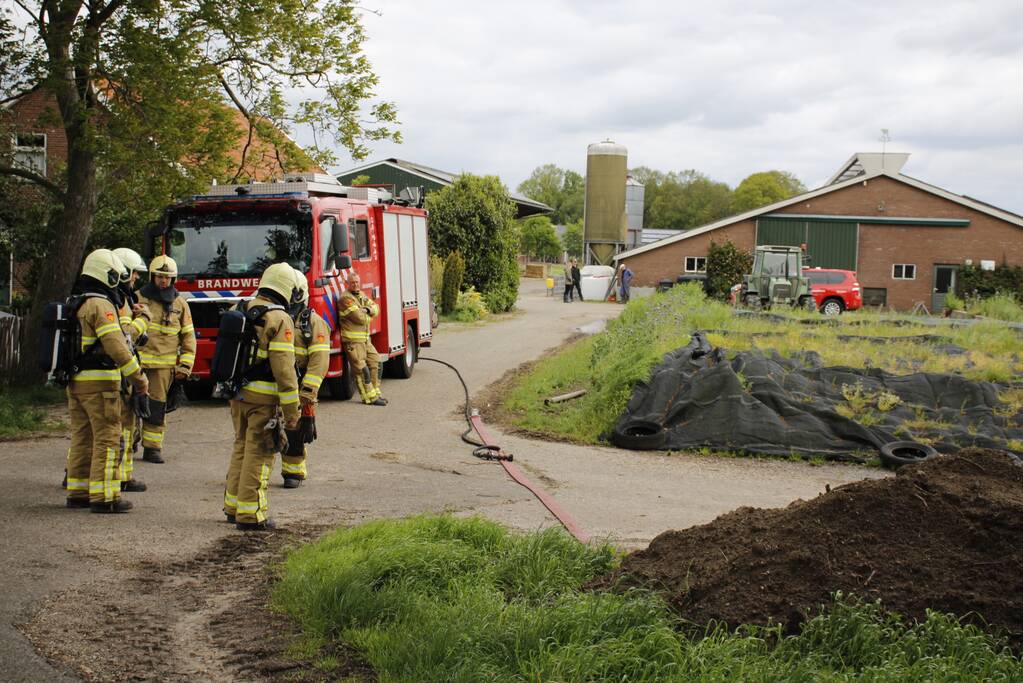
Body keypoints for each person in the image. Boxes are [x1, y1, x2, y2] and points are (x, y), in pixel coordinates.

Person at [65, 249, 149, 513]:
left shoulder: (77, 301)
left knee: (82, 436)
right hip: (101, 384)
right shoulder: (102, 305)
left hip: (76, 381)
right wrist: (139, 377)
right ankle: (105, 497)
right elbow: (116, 346)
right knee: (108, 438)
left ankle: (78, 491)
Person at [223, 262, 301, 530]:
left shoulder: (241, 307)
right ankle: (250, 514)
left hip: (237, 395)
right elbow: (284, 369)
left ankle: (233, 507)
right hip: (263, 400)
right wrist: (292, 412)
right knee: (259, 453)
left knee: (240, 447)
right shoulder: (280, 319)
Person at [135, 255, 196, 464]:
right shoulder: (137, 298)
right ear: (153, 276)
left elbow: (188, 337)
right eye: (160, 276)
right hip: (137, 364)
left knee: (157, 406)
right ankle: (130, 438)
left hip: (164, 367)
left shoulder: (180, 304)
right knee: (130, 403)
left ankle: (152, 447)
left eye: (167, 277)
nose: (163, 281)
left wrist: (186, 365)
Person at [280, 267, 329, 488]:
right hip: (273, 383)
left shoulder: (313, 322)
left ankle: (293, 472)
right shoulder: (274, 316)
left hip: (298, 386)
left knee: (295, 428)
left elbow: (319, 359)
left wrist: (308, 393)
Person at [112, 247, 151, 491]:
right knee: (118, 427)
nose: (136, 278)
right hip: (118, 376)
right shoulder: (118, 301)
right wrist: (144, 318)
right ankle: (119, 477)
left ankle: (123, 474)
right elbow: (125, 338)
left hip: (115, 374)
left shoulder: (116, 298)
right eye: (134, 273)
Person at [339, 273, 387, 406]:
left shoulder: (361, 295)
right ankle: (368, 398)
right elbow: (360, 318)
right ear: (347, 283)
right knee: (361, 370)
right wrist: (369, 314)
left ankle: (375, 393)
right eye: (352, 282)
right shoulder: (345, 299)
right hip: (353, 342)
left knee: (376, 362)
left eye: (357, 282)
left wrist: (366, 309)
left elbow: (376, 308)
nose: (355, 284)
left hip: (365, 340)